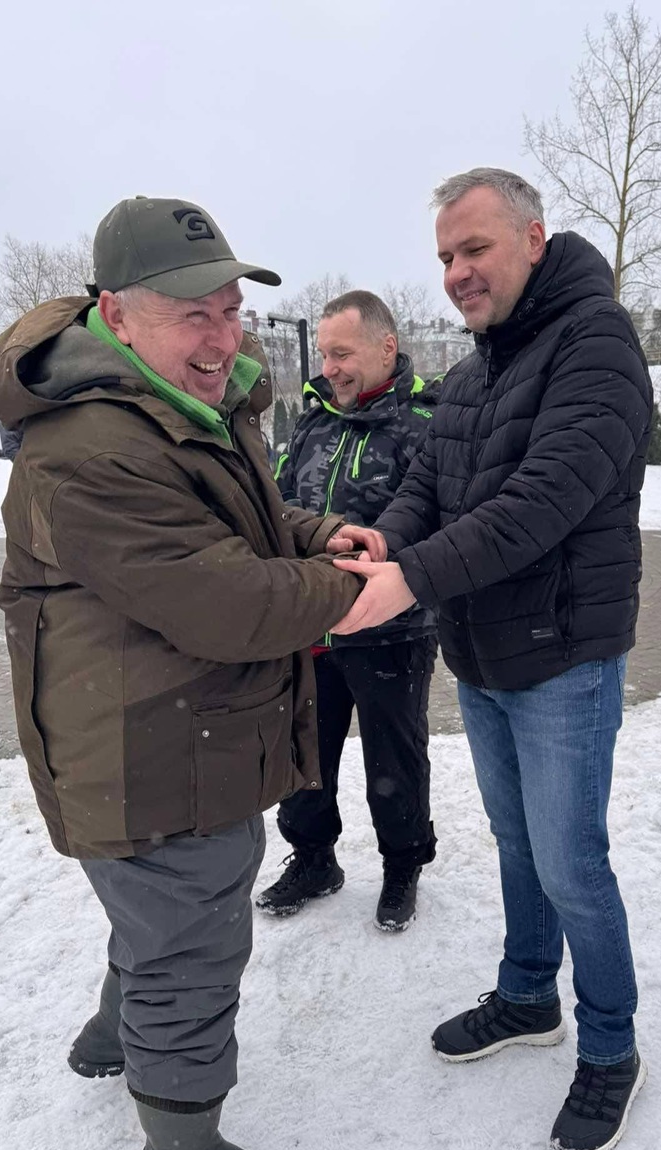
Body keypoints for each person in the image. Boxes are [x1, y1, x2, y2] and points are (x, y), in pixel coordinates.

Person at [0, 196, 379, 1150]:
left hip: (171, 727)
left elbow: (236, 516)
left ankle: (115, 1034)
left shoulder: (166, 400)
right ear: (116, 312)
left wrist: (318, 533)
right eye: (192, 311)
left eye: (231, 309)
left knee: (165, 910)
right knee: (191, 940)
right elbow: (224, 598)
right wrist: (356, 592)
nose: (221, 336)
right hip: (143, 746)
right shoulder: (90, 444)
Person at [330, 168, 654, 1150]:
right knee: (518, 846)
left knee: (571, 862)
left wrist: (412, 578)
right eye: (445, 257)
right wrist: (381, 540)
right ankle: (526, 994)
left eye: (474, 248)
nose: (457, 272)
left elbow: (542, 502)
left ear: (533, 238)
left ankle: (611, 1045)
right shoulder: (475, 372)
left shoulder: (596, 343)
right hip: (484, 655)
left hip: (563, 657)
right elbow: (428, 485)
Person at [256, 291, 438, 931]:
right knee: (305, 751)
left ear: (387, 347)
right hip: (312, 625)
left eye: (342, 353)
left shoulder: (425, 425)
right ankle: (313, 859)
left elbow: (439, 520)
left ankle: (402, 865)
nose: (328, 368)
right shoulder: (312, 423)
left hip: (394, 630)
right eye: (324, 354)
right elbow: (278, 505)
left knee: (395, 757)